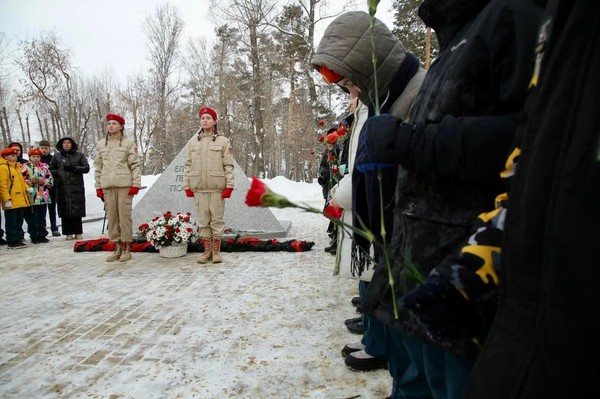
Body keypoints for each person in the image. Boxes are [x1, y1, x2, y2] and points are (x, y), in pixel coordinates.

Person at [354, 0, 542, 398]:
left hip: (465, 286)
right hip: (418, 285)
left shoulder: (515, 15)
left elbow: (531, 143)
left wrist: (406, 141)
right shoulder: (453, 38)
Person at [312, 10, 427, 396]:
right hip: (389, 231)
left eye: (346, 75)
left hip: (412, 237)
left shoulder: (415, 93)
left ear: (365, 62)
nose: (345, 85)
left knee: (414, 348)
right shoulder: (381, 99)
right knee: (400, 339)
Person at [183, 106, 235, 264]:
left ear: (214, 122)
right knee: (203, 221)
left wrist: (229, 186)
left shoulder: (223, 141)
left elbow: (228, 165)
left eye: (208, 118)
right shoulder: (192, 142)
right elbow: (187, 165)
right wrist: (187, 185)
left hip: (216, 188)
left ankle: (216, 252)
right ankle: (206, 252)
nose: (205, 120)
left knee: (217, 221)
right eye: (202, 118)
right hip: (199, 188)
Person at [94, 113, 142, 262]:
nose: (111, 126)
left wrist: (136, 184)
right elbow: (98, 166)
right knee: (113, 218)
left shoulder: (128, 143)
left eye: (114, 123)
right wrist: (98, 186)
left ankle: (127, 248)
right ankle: (117, 247)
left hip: (124, 186)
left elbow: (134, 165)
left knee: (124, 217)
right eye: (109, 123)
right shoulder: (101, 144)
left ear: (121, 126)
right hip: (108, 185)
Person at [49, 136, 90, 240]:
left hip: (76, 186)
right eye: (64, 143)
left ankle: (78, 231)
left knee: (77, 210)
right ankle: (68, 232)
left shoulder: (79, 155)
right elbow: (51, 169)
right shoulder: (56, 156)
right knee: (65, 209)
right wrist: (58, 172)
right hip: (62, 186)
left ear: (72, 144)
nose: (66, 144)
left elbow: (86, 168)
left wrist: (74, 168)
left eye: (68, 142)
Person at [0, 147, 31, 249]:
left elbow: (21, 182)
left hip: (20, 199)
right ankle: (12, 241)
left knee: (18, 221)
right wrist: (6, 199)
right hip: (11, 200)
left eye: (15, 156)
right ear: (5, 157)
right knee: (11, 222)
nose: (15, 157)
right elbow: (2, 185)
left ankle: (18, 239)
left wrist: (27, 188)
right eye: (12, 156)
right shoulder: (3, 168)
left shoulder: (16, 167)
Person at [22, 147, 54, 244]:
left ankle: (42, 234)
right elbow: (22, 179)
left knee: (42, 216)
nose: (36, 158)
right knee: (32, 217)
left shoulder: (44, 166)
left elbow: (50, 179)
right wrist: (30, 182)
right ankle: (34, 235)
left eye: (37, 156)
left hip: (43, 196)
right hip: (32, 196)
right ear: (30, 157)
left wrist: (42, 182)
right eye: (33, 156)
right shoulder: (25, 167)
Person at [39, 140, 61, 236]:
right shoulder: (36, 159)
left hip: (52, 188)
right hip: (40, 189)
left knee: (52, 209)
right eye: (42, 148)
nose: (44, 150)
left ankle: (54, 227)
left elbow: (57, 171)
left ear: (49, 148)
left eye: (46, 148)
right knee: (41, 210)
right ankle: (42, 228)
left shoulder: (53, 159)